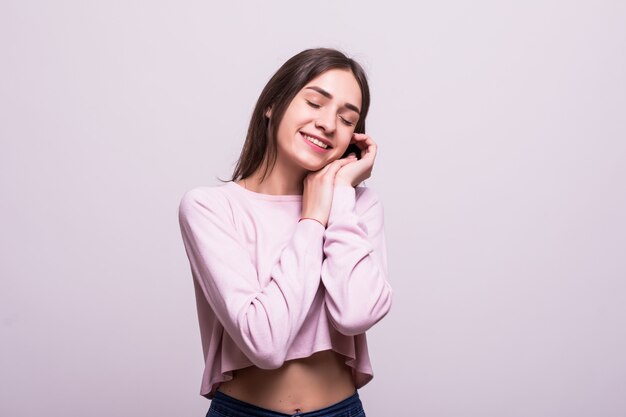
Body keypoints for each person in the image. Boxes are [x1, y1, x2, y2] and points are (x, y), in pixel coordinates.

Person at [178, 48, 392, 417]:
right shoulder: (210, 208)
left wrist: (339, 194)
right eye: (314, 103)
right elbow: (265, 343)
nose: (328, 123)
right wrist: (312, 219)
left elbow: (356, 314)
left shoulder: (357, 206)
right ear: (273, 105)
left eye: (346, 118)